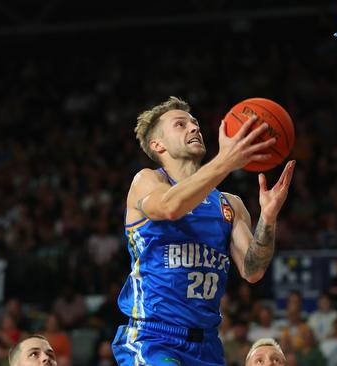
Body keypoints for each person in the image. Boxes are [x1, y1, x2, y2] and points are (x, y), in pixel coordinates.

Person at [111, 97, 295, 365]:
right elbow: (170, 206)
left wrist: (268, 218)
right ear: (157, 144)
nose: (194, 128)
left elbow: (253, 270)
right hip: (155, 339)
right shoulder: (148, 181)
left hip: (207, 344)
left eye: (195, 123)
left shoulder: (230, 204)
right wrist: (226, 160)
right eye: (180, 124)